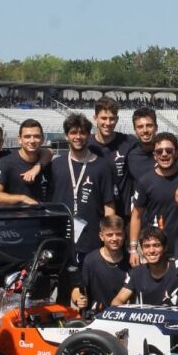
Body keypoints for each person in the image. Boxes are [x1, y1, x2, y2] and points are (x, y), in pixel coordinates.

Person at [48, 112, 116, 262]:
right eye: (73, 133)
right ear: (66, 136)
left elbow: (109, 205)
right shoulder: (56, 164)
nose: (78, 137)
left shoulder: (102, 166)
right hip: (60, 236)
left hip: (91, 238)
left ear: (88, 135)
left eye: (82, 133)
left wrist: (109, 236)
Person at [128, 132, 178, 265]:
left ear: (176, 153)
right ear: (154, 155)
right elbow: (136, 216)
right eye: (159, 151)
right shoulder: (145, 181)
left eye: (169, 150)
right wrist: (133, 250)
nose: (164, 154)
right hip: (153, 250)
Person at [71, 215, 128, 313]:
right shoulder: (90, 260)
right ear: (101, 236)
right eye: (109, 235)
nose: (114, 239)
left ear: (124, 235)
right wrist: (78, 299)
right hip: (95, 317)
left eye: (118, 234)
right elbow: (78, 288)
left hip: (123, 317)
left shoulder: (130, 260)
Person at [0, 119, 50, 206]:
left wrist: (37, 166)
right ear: (19, 139)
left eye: (36, 136)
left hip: (42, 218)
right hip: (15, 218)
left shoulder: (47, 162)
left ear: (42, 139)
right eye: (27, 136)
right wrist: (22, 198)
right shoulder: (6, 163)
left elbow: (49, 151)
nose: (32, 141)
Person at [112, 227, 178, 307]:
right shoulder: (136, 273)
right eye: (147, 246)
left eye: (156, 245)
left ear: (165, 247)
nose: (151, 251)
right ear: (142, 249)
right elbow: (117, 300)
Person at [88, 99, 136, 212]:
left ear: (117, 119)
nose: (108, 123)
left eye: (112, 118)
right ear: (95, 119)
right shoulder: (87, 145)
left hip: (123, 213)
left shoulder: (129, 142)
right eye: (104, 118)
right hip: (96, 212)